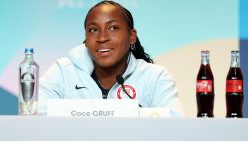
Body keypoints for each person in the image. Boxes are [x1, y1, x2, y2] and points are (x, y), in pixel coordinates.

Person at [39, 0, 183, 116]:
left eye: (113, 28)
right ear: (86, 39)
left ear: (132, 36)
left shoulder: (155, 77)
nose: (102, 38)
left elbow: (174, 127)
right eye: (93, 30)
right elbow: (34, 119)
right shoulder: (62, 72)